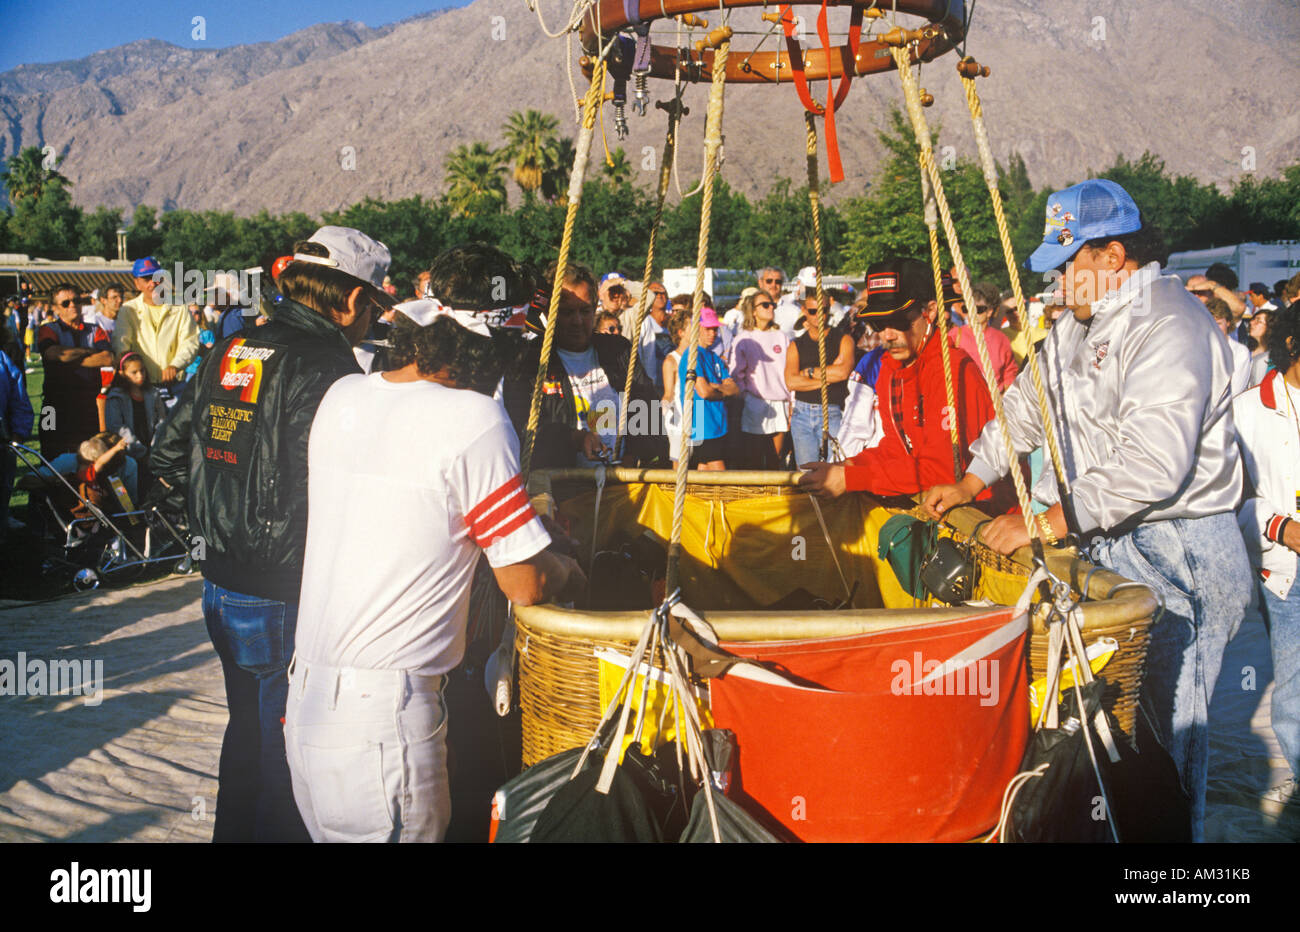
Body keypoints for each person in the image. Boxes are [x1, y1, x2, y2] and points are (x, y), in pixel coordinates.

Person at [921, 179, 1248, 841]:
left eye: (1069, 264)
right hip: (1115, 539)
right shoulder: (1079, 326)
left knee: (1166, 733)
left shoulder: (1167, 323)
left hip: (1180, 546)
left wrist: (1042, 523)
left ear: (1114, 255)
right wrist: (972, 480)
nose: (1061, 280)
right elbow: (1025, 409)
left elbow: (1153, 464)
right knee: (1117, 719)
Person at [285, 291, 585, 842]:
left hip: (309, 698)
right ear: (486, 352)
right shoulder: (474, 417)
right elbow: (525, 582)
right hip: (384, 718)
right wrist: (565, 567)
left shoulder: (343, 395)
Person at [151, 225, 392, 843]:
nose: (372, 320)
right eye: (373, 306)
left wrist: (210, 532)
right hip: (283, 592)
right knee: (288, 766)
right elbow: (346, 489)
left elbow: (167, 455)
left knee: (248, 741)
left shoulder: (234, 347)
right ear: (351, 300)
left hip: (222, 589)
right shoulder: (330, 367)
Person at [801, 258, 997, 499]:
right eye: (878, 323)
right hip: (937, 508)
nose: (888, 334)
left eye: (899, 321)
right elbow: (897, 449)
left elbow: (943, 470)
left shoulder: (951, 371)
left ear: (931, 312)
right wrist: (845, 467)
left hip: (986, 513)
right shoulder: (890, 369)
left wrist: (852, 479)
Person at [1233, 302, 1300, 816]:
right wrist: (1284, 528)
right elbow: (1231, 499)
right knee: (1295, 690)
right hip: (1287, 570)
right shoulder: (1249, 409)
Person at [504, 262, 654, 468]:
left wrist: (634, 456)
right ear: (549, 313)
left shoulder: (618, 351)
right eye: (567, 313)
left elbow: (647, 407)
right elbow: (520, 427)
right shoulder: (531, 361)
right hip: (560, 489)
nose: (577, 321)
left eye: (585, 311)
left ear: (595, 309)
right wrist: (573, 438)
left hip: (619, 485)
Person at [36, 282, 114, 458]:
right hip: (53, 406)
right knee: (50, 454)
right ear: (56, 309)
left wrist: (67, 359)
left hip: (86, 405)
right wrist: (88, 352)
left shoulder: (95, 330)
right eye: (65, 303)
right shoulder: (47, 329)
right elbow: (53, 354)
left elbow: (106, 358)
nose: (72, 305)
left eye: (76, 301)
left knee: (89, 455)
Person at [784, 294, 854, 466]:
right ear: (804, 311)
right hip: (802, 414)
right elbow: (792, 382)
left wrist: (808, 372)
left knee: (836, 467)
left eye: (823, 310)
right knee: (806, 472)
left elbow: (843, 372)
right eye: (813, 311)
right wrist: (827, 379)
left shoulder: (843, 339)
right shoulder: (796, 345)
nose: (818, 315)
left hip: (832, 410)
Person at [114, 256, 200, 388]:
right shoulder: (128, 310)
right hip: (141, 386)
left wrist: (175, 365)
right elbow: (122, 346)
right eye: (147, 279)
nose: (153, 284)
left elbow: (190, 341)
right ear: (137, 283)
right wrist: (131, 375)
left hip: (175, 386)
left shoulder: (179, 307)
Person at [729, 290, 792, 469]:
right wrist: (745, 396)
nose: (770, 308)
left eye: (772, 304)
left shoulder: (782, 337)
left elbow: (790, 370)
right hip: (755, 402)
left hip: (781, 403)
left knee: (776, 456)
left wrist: (791, 400)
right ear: (753, 311)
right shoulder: (743, 339)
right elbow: (737, 374)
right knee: (755, 458)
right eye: (765, 305)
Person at [677, 306, 737, 470]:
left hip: (718, 425)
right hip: (702, 427)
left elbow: (735, 389)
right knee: (719, 472)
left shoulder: (714, 357)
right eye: (708, 329)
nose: (713, 333)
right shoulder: (692, 354)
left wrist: (716, 387)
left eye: (715, 329)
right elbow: (704, 392)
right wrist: (722, 388)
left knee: (704, 470)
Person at [104, 352, 166, 490]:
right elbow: (118, 428)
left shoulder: (153, 394)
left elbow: (161, 422)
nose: (140, 376)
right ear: (122, 374)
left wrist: (154, 450)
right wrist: (141, 453)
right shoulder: (116, 397)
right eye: (134, 372)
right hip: (128, 453)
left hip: (152, 451)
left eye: (142, 371)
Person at [947, 277, 1019, 392]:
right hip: (965, 401)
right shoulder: (955, 335)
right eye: (968, 309)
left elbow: (1009, 374)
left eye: (978, 309)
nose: (972, 314)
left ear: (989, 312)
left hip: (995, 403)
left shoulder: (1001, 340)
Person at [0, 343, 34, 535]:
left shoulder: (2, 360)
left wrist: (19, 432)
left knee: (3, 484)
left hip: (3, 437)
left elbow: (19, 398)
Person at [1204, 296, 1252, 395]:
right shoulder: (1198, 348)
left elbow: (1234, 390)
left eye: (1218, 323)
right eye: (1210, 323)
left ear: (1228, 323)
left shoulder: (1240, 352)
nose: (1214, 328)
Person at [661, 308, 691, 465]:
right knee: (679, 462)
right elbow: (668, 393)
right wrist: (666, 412)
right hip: (679, 414)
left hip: (697, 413)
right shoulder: (671, 361)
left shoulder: (698, 356)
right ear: (681, 333)